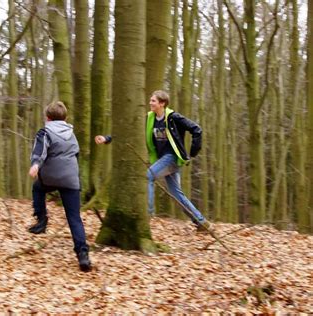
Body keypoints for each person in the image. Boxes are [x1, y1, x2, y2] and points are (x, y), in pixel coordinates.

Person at [95, 90, 211, 232]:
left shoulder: (174, 117)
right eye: (150, 100)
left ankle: (147, 214)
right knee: (176, 193)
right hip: (163, 159)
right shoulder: (150, 118)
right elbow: (129, 130)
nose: (150, 103)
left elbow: (196, 129)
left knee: (148, 176)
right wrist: (107, 138)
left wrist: (192, 152)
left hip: (172, 158)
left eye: (153, 101)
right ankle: (201, 222)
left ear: (162, 103)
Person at [28, 101, 91, 272]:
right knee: (74, 218)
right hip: (71, 180)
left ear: (47, 117)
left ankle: (41, 220)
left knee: (38, 188)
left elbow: (40, 151)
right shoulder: (71, 133)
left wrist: (35, 165)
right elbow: (76, 154)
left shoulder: (45, 132)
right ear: (65, 118)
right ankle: (83, 254)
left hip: (50, 177)